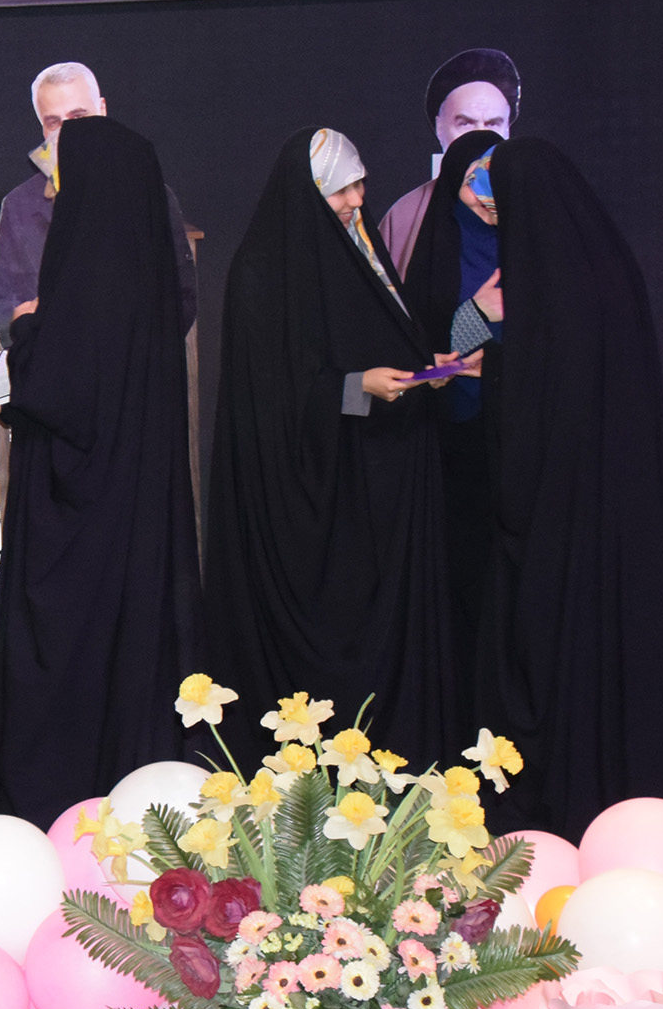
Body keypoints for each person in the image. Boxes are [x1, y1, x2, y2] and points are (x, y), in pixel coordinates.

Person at [472, 138, 663, 838]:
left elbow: (536, 411)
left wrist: (492, 368)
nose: (496, 216)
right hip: (618, 506)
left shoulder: (548, 288)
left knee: (555, 638)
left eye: (501, 203)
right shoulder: (605, 266)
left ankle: (570, 774)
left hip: (562, 513)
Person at [0, 120, 200, 831]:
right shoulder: (152, 285)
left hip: (76, 523)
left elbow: (60, 394)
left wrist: (30, 330)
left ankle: (56, 791)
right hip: (136, 515)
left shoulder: (84, 279)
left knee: (63, 651)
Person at [204, 128, 462, 766]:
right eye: (340, 190)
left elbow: (382, 336)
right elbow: (268, 399)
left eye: (360, 183)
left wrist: (422, 367)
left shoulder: (359, 252)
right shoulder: (262, 272)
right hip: (305, 505)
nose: (357, 200)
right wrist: (355, 386)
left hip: (375, 488)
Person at [398, 132, 507, 661]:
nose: (486, 195)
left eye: (496, 180)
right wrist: (476, 315)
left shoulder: (533, 240)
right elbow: (423, 349)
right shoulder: (437, 249)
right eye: (471, 181)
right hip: (457, 430)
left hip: (522, 430)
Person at [0, 62, 197, 339]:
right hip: (51, 361)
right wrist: (23, 323)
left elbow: (181, 300)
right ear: (42, 128)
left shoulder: (151, 196)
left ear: (102, 110)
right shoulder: (19, 207)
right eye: (53, 122)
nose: (67, 132)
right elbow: (4, 309)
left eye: (79, 117)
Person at [380, 47, 520, 280]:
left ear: (508, 129)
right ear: (439, 127)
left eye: (493, 124)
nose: (480, 136)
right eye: (465, 123)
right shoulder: (404, 216)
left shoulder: (534, 209)